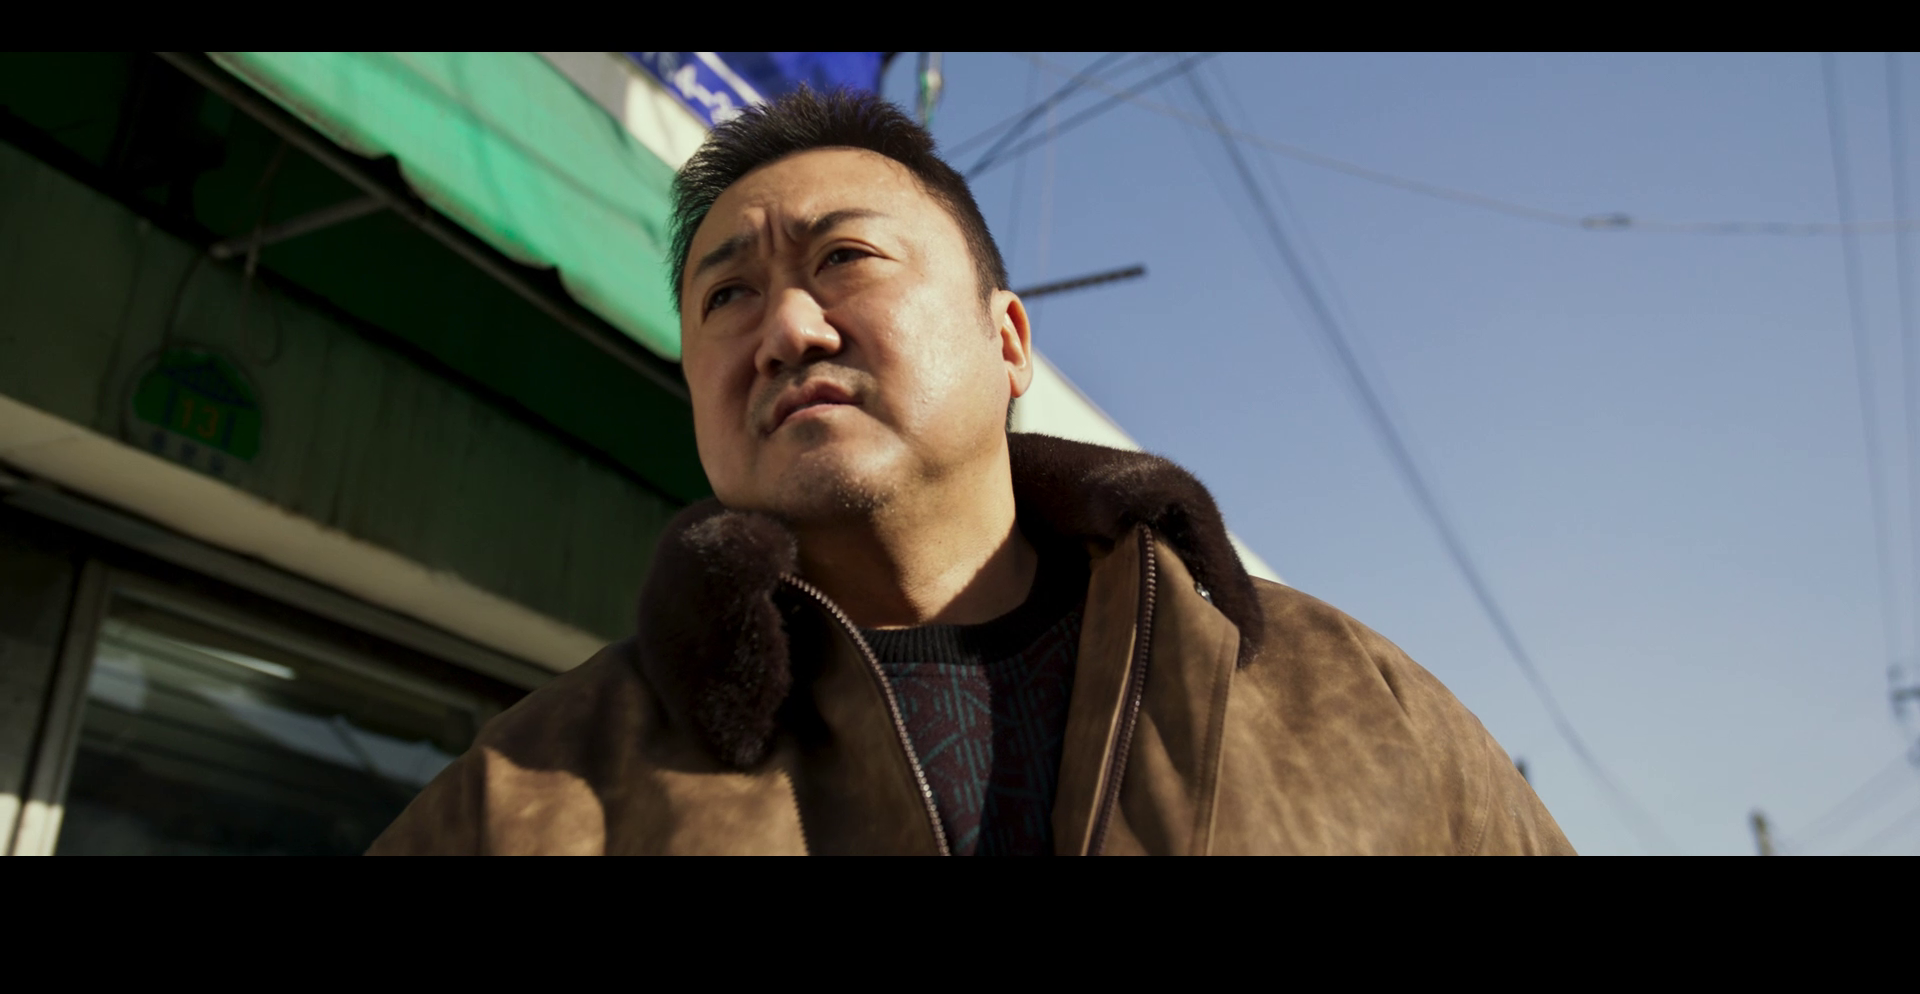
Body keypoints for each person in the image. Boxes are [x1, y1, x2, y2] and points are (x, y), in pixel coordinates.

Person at [369, 88, 1573, 855]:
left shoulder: (1349, 701)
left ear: (1008, 342)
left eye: (845, 256)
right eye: (726, 295)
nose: (786, 328)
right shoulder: (535, 793)